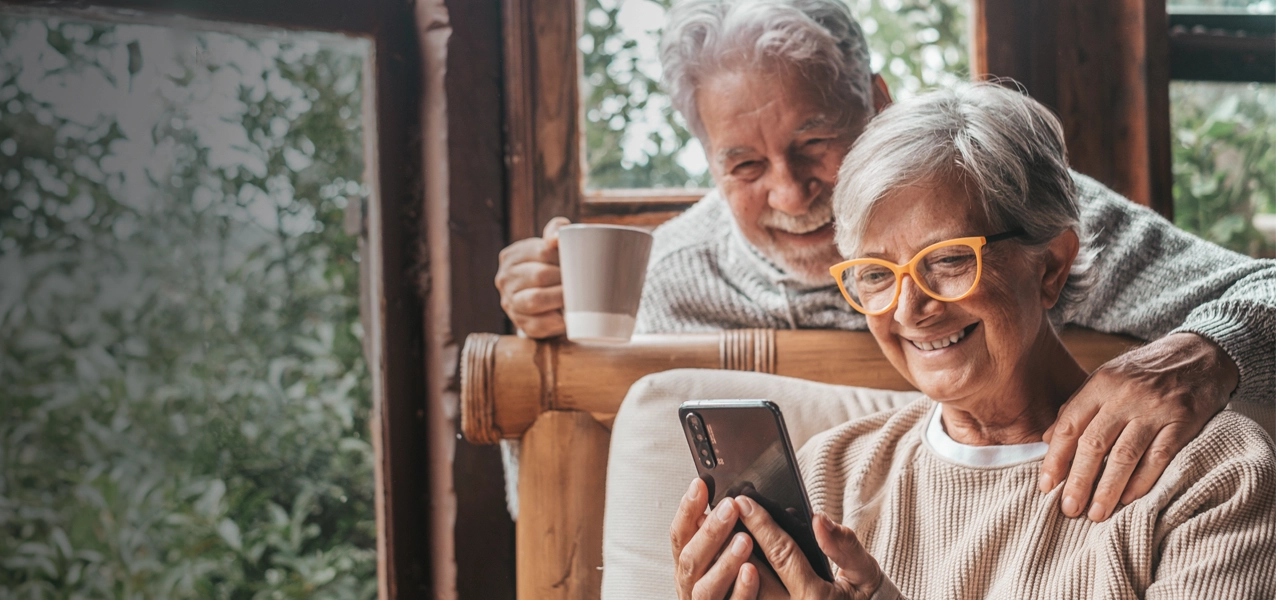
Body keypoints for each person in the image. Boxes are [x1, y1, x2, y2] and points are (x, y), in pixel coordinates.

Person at [494, 0, 1274, 529]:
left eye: (815, 144)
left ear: (876, 101)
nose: (791, 192)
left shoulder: (1003, 207)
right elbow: (539, 503)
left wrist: (1203, 350)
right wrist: (545, 349)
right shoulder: (656, 277)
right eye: (743, 166)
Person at [666, 82, 1276, 600]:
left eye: (950, 260)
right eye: (876, 274)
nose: (911, 308)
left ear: (1051, 266)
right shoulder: (827, 476)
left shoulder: (1209, 472)